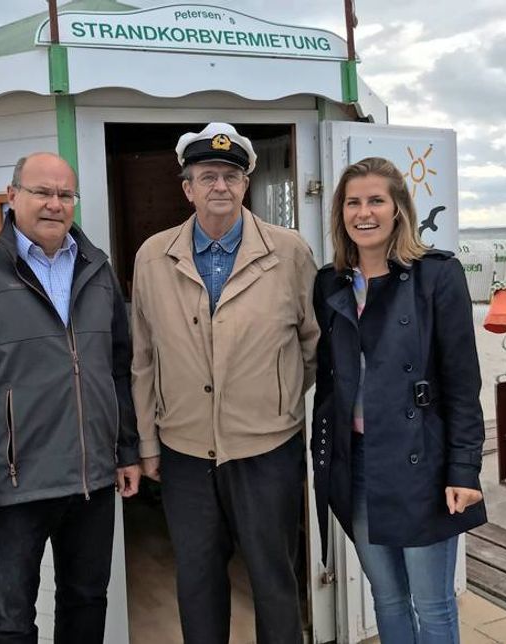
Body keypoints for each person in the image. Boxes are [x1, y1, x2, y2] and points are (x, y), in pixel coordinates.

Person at [0, 152, 141, 644]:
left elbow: (117, 369)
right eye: (42, 192)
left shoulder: (98, 270)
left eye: (65, 195)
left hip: (90, 482)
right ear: (14, 194)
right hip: (9, 489)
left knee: (86, 604)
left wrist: (125, 450)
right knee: (11, 621)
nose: (54, 204)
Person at [130, 123, 319, 644]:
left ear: (246, 183)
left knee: (274, 579)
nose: (220, 185)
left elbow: (311, 346)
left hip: (267, 449)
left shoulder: (290, 252)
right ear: (186, 187)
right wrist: (148, 442)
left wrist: (273, 398)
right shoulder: (152, 257)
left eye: (231, 175)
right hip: (185, 450)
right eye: (207, 175)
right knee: (196, 579)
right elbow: (143, 358)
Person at [312, 157, 487, 643]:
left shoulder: (437, 275)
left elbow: (461, 384)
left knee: (432, 605)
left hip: (422, 463)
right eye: (353, 202)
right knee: (385, 597)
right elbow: (329, 379)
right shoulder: (330, 282)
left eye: (375, 200)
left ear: (398, 209)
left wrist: (464, 469)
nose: (363, 212)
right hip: (360, 462)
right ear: (340, 213)